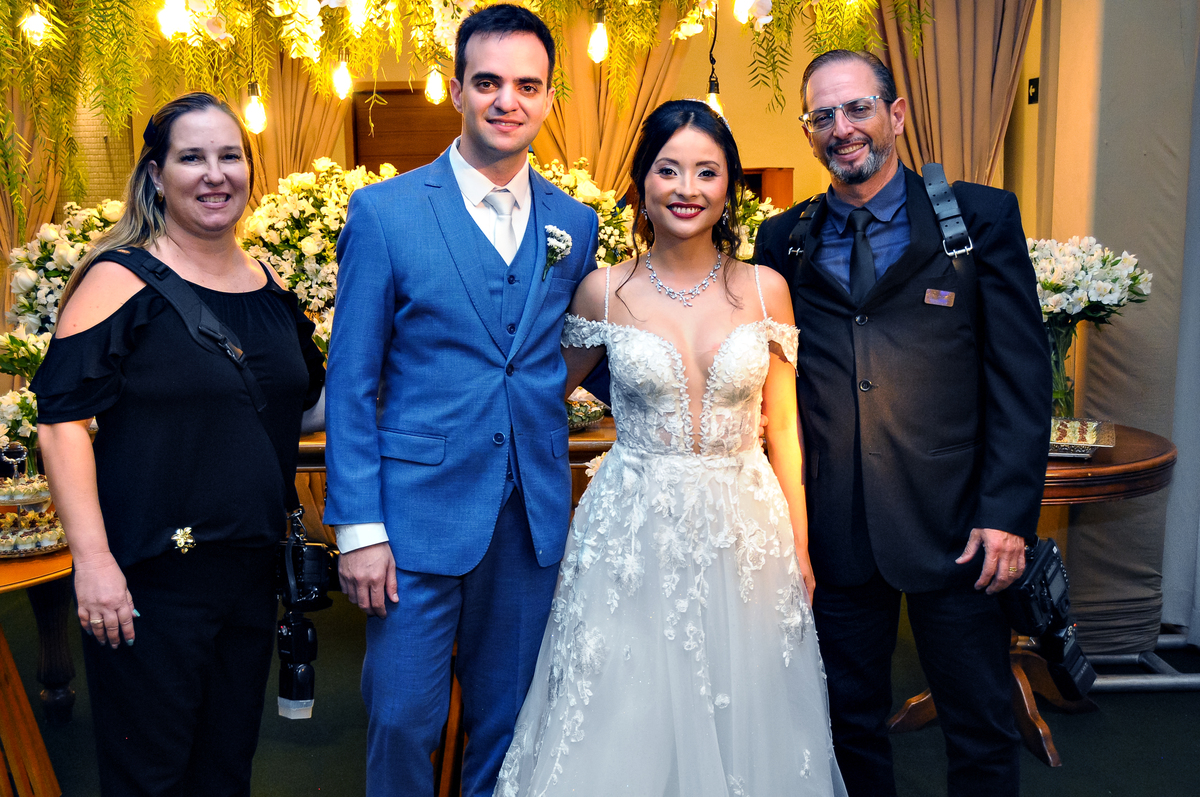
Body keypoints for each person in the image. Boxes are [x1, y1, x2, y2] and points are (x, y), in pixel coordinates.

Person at [493, 99, 846, 796]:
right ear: (642, 183)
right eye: (669, 169)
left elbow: (784, 429)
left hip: (746, 530)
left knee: (746, 705)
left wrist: (801, 549)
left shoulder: (766, 289)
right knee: (627, 705)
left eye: (707, 172)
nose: (687, 188)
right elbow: (535, 396)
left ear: (730, 186)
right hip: (631, 530)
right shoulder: (603, 291)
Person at [754, 50, 1051, 796]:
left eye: (857, 108)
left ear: (897, 114)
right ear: (808, 131)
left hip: (959, 527)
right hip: (835, 529)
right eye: (822, 116)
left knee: (979, 725)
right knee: (846, 725)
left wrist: (1007, 515)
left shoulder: (978, 219)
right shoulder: (783, 242)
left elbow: (1022, 380)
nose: (842, 128)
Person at [322, 5, 600, 795]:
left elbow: (570, 351)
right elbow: (351, 382)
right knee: (402, 718)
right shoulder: (385, 212)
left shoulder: (575, 224)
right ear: (456, 90)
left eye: (527, 85)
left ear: (548, 98)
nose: (507, 100)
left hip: (530, 518)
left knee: (509, 724)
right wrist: (358, 529)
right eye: (488, 82)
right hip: (413, 521)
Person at [33, 91, 326, 796]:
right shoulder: (118, 279)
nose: (214, 174)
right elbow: (60, 421)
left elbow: (303, 409)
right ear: (156, 176)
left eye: (230, 156)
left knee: (225, 771)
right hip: (150, 579)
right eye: (192, 157)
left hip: (249, 570)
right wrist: (92, 562)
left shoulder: (268, 282)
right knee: (150, 778)